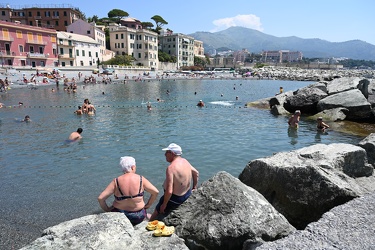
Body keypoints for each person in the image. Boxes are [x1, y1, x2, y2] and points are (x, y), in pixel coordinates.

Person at [98, 156, 159, 225]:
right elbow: (155, 192)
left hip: (120, 216)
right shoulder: (141, 179)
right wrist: (148, 205)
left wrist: (108, 210)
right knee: (147, 215)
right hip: (138, 216)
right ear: (133, 167)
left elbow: (100, 198)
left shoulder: (116, 181)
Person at [150, 143, 199, 221]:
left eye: (167, 152)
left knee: (158, 209)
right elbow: (196, 173)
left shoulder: (171, 168)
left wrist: (164, 204)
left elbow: (169, 191)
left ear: (172, 153)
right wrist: (194, 187)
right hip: (187, 194)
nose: (165, 154)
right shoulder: (185, 161)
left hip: (176, 199)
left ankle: (148, 224)